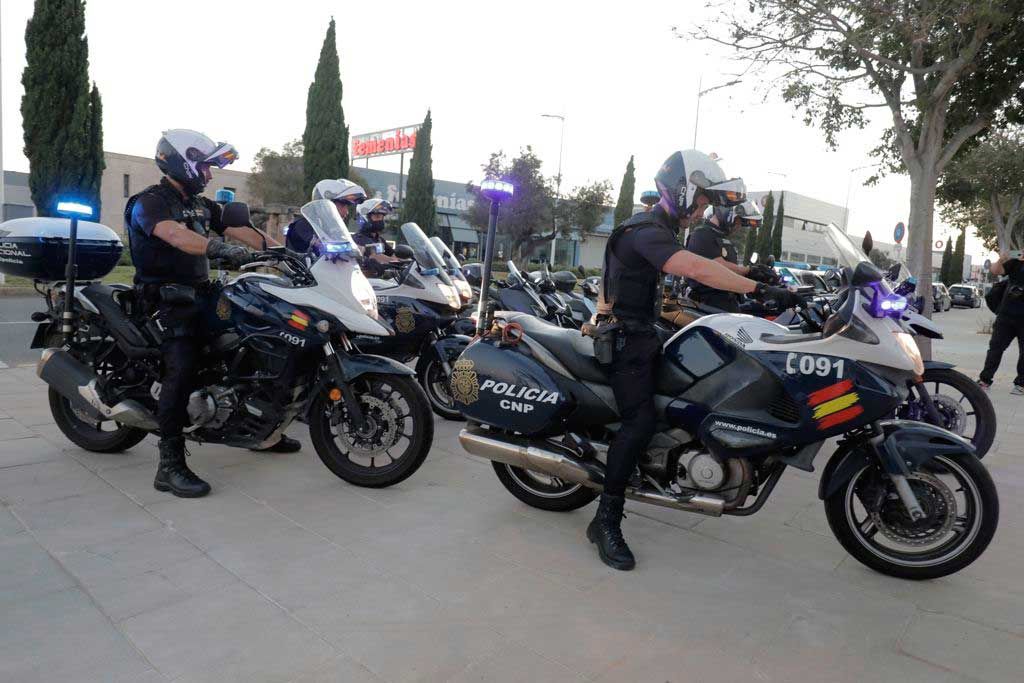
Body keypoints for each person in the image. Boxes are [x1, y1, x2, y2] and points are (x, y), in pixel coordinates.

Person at [591, 149, 801, 570]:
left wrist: (757, 281)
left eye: (707, 202)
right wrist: (758, 291)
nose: (704, 208)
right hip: (626, 341)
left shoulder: (663, 228)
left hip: (646, 333)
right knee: (640, 421)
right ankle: (605, 520)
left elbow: (703, 263)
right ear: (684, 190)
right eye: (702, 199)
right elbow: (695, 268)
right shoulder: (645, 230)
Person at [126, 129, 298, 499]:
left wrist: (287, 253)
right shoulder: (150, 203)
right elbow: (175, 236)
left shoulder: (203, 205)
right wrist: (220, 248)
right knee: (182, 365)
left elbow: (243, 230)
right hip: (165, 300)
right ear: (180, 162)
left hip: (202, 294)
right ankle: (169, 464)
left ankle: (259, 429)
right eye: (205, 166)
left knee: (261, 335)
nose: (209, 174)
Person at [684, 200, 776, 312]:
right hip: (708, 305)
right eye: (738, 221)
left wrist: (758, 280)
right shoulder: (702, 234)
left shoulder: (723, 239)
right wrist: (750, 271)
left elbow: (732, 273)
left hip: (727, 302)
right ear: (726, 212)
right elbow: (717, 266)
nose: (738, 226)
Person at [979, 251, 1024, 394]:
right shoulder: (1015, 264)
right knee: (995, 349)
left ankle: (1021, 384)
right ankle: (985, 381)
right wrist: (1001, 259)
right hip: (1006, 316)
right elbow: (995, 270)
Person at [284, 179, 367, 253]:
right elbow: (320, 245)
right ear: (324, 204)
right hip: (303, 269)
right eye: (342, 205)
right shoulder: (303, 225)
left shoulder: (331, 230)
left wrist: (357, 248)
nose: (346, 212)